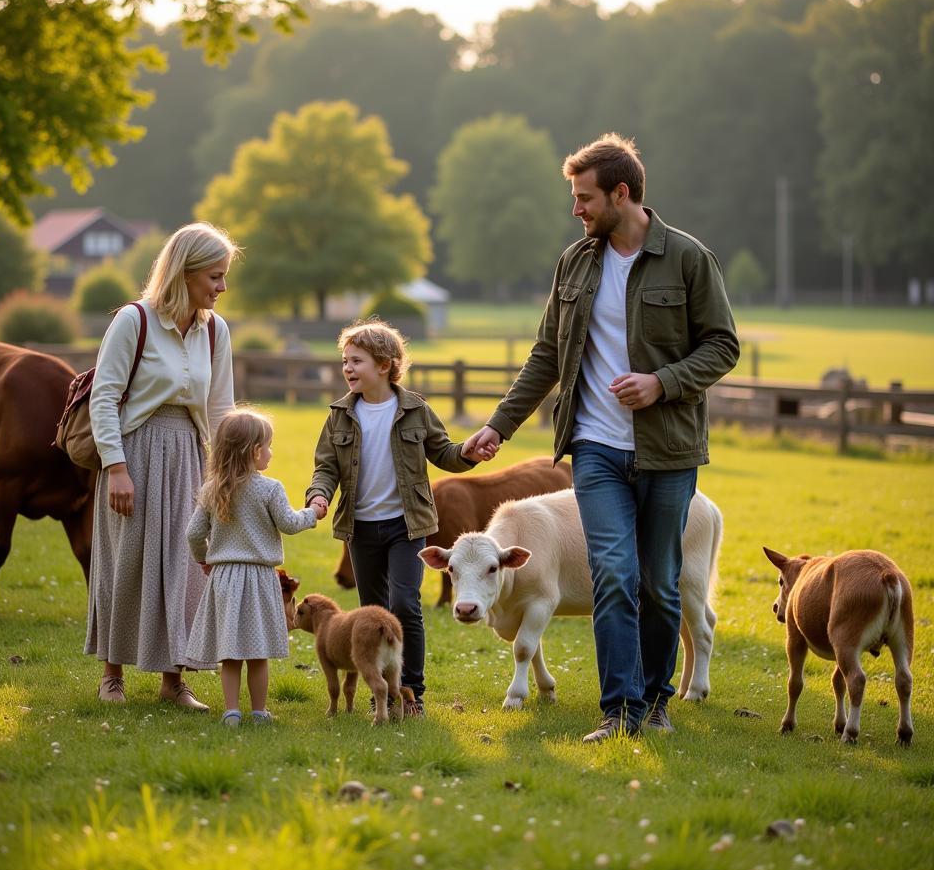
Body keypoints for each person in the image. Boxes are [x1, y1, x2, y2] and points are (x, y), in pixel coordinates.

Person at [464, 133, 739, 743]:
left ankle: (655, 701)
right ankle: (618, 712)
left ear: (622, 193)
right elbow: (547, 355)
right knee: (614, 575)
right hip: (594, 449)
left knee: (658, 582)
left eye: (585, 198)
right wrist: (498, 425)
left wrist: (662, 383)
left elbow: (723, 345)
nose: (577, 210)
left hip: (668, 451)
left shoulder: (689, 259)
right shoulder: (576, 262)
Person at [84, 221, 239, 709]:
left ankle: (175, 681)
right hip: (135, 452)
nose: (222, 287)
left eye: (224, 275)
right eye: (214, 276)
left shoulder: (216, 331)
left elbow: (220, 409)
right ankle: (112, 674)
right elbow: (104, 399)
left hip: (191, 454)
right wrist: (116, 467)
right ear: (185, 272)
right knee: (125, 562)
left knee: (184, 566)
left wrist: (229, 474)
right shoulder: (134, 320)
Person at [306, 319, 490, 717]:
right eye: (345, 362)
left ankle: (413, 694)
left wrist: (469, 454)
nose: (348, 369)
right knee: (371, 615)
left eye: (357, 361)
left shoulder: (414, 409)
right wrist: (319, 494)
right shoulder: (339, 415)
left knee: (405, 604)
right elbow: (326, 467)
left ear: (386, 365)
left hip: (407, 526)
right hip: (360, 529)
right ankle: (383, 697)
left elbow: (444, 452)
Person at [185, 408, 323, 725]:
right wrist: (313, 513)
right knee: (258, 652)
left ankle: (232, 711)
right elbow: (289, 523)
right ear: (254, 451)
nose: (271, 453)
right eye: (268, 446)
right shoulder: (269, 489)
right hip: (260, 578)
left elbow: (193, 534)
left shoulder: (212, 489)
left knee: (231, 652)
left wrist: (204, 559)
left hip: (225, 579)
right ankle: (259, 712)